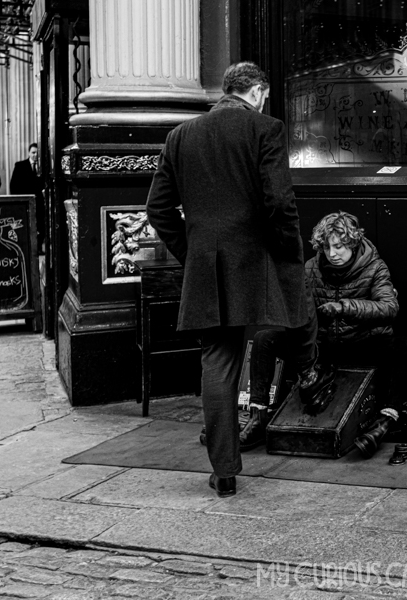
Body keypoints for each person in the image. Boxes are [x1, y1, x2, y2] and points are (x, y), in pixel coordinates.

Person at [145, 61, 334, 498]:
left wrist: (192, 252)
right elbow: (279, 201)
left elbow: (158, 209)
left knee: (218, 363)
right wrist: (290, 251)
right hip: (261, 261)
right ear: (259, 91)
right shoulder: (266, 129)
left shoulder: (180, 136)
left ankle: (225, 472)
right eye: (264, 95)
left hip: (207, 268)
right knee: (301, 311)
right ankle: (309, 374)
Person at [243, 211, 407, 451]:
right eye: (326, 247)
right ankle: (257, 417)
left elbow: (389, 307)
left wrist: (342, 308)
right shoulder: (311, 268)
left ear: (352, 243)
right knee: (265, 339)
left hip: (362, 344)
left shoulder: (375, 266)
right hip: (323, 348)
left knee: (405, 346)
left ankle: (386, 420)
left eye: (338, 247)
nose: (332, 253)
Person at [10, 143, 44, 248]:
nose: (35, 155)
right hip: (25, 200)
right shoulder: (20, 165)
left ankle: (38, 247)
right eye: (33, 152)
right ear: (29, 153)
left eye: (37, 153)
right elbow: (13, 185)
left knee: (40, 224)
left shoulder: (43, 167)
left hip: (39, 200)